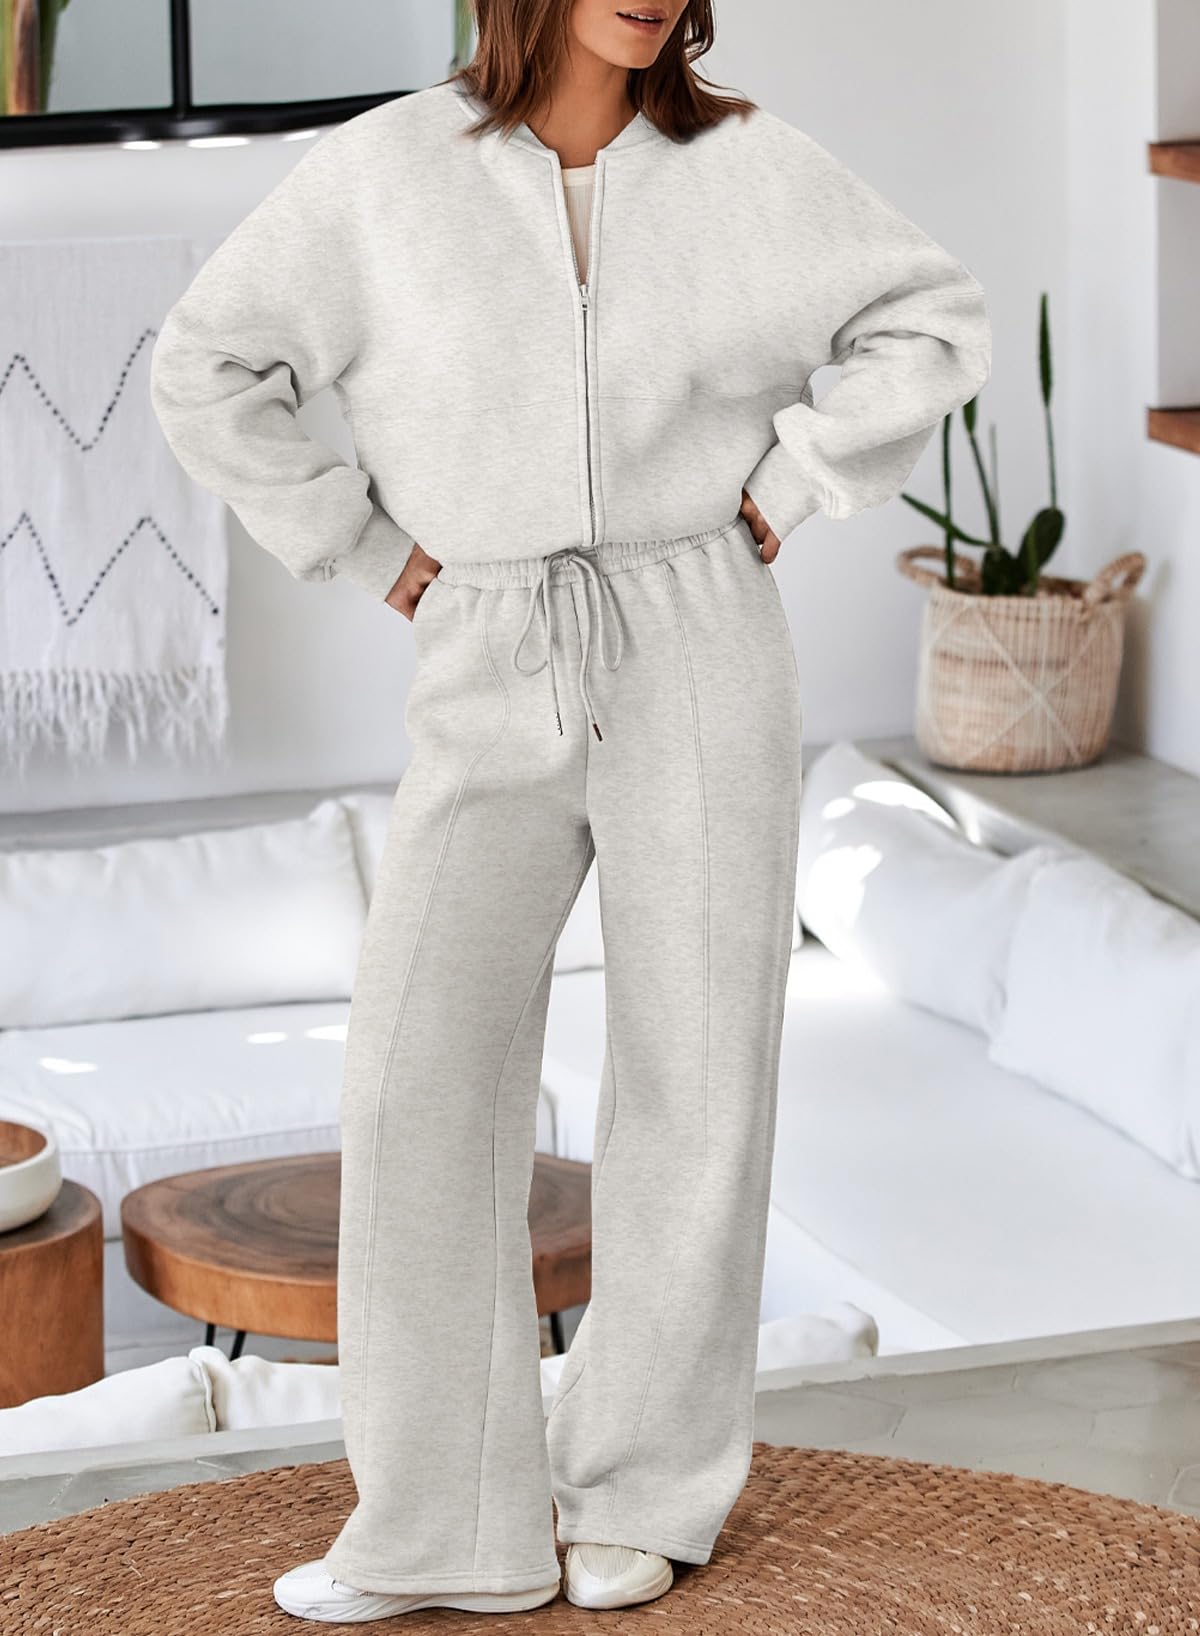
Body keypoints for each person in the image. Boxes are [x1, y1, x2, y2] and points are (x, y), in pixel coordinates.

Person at [150, 0, 990, 1621]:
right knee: (416, 1083)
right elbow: (209, 365)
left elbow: (930, 319)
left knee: (695, 1080)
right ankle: (436, 1525)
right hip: (489, 637)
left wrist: (791, 482)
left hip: (700, 635)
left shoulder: (744, 162)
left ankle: (643, 1488)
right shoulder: (388, 171)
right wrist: (358, 543)